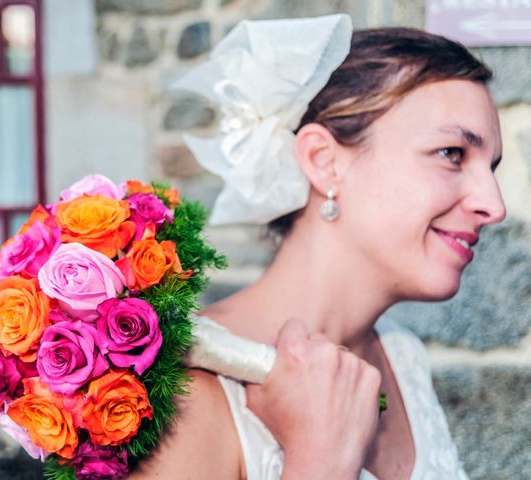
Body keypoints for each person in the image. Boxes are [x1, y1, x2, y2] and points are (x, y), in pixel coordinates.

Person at [131, 14, 505, 480]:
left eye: (491, 167)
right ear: (323, 162)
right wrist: (322, 460)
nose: (494, 205)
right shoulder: (188, 392)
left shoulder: (402, 358)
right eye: (452, 154)